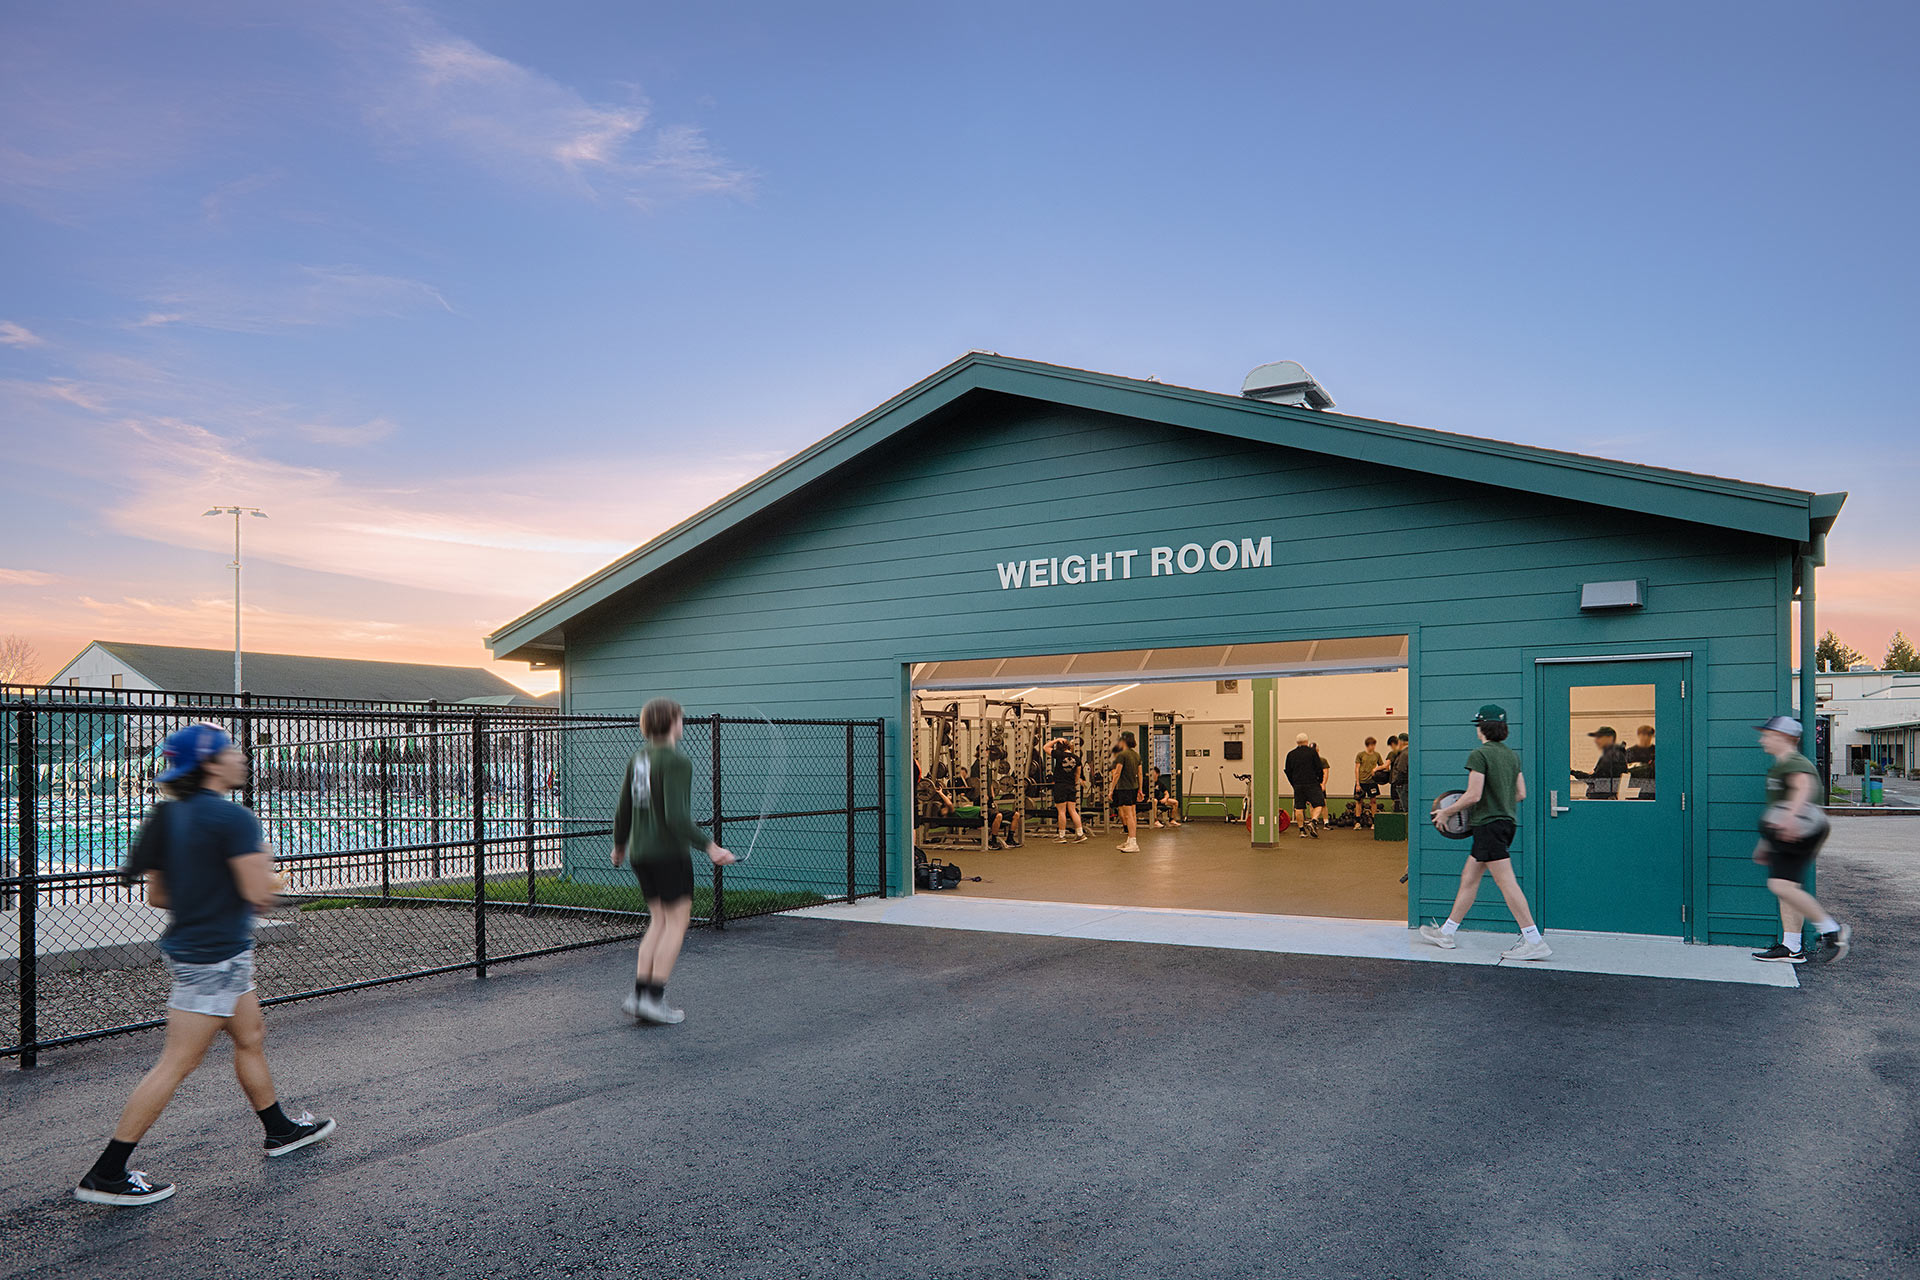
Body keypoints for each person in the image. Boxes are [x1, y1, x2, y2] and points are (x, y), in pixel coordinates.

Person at [77, 723, 334, 1208]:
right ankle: (107, 1171)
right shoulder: (234, 819)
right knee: (178, 1062)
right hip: (214, 955)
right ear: (212, 764)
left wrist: (213, 888)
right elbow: (260, 895)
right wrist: (271, 872)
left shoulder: (168, 818)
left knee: (250, 1035)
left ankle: (278, 1129)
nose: (241, 756)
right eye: (231, 750)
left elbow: (157, 894)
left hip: (204, 949)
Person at [613, 698, 736, 1025]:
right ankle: (653, 999)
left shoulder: (639, 759)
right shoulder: (677, 762)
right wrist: (710, 848)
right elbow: (677, 818)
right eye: (680, 718)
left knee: (659, 920)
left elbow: (624, 808)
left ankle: (640, 995)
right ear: (670, 722)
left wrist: (619, 845)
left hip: (640, 854)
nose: (683, 723)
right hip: (668, 853)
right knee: (677, 922)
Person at [1419, 704, 1552, 961]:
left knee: (1506, 882)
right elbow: (1521, 793)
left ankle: (1534, 940)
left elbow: (1473, 794)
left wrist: (1447, 812)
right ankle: (1447, 932)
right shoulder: (1512, 756)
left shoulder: (1479, 754)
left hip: (1489, 826)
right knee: (1469, 875)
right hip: (1505, 824)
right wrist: (1499, 801)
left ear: (1482, 727)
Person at [1750, 715, 1851, 963]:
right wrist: (1766, 843)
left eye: (1768, 734)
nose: (1762, 739)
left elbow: (1803, 787)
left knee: (1780, 885)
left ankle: (1832, 931)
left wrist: (1791, 819)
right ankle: (1791, 946)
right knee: (1788, 888)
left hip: (1801, 828)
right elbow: (1778, 803)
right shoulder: (1780, 765)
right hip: (1790, 830)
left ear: (1785, 738)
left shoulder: (1793, 761)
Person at [1283, 733, 1326, 838]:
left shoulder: (1291, 754)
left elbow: (1287, 771)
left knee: (1299, 807)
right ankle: (1314, 821)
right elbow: (1319, 768)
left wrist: (1293, 783)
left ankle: (1302, 830)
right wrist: (1320, 781)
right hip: (1312, 782)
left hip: (1298, 784)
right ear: (1307, 741)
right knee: (1319, 804)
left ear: (1297, 742)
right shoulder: (1312, 753)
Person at [1572, 725, 1629, 799]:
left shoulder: (1610, 757)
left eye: (1599, 737)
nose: (1596, 741)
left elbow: (1594, 779)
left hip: (1601, 799)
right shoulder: (1615, 755)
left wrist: (1573, 772)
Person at [1049, 737, 1088, 842]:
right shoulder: (1077, 758)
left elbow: (1045, 747)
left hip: (1060, 786)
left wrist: (1056, 740)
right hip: (1071, 786)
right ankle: (1080, 834)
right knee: (1072, 810)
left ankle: (1061, 836)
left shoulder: (1059, 755)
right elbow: (1078, 775)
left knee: (1061, 811)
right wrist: (1073, 783)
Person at [1109, 732, 1143, 852]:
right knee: (1132, 815)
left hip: (1124, 788)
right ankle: (1130, 840)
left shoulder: (1122, 755)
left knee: (1128, 815)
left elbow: (1117, 773)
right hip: (1133, 788)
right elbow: (1140, 774)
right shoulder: (1136, 755)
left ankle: (1133, 843)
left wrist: (1111, 790)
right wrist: (1140, 789)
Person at [1353, 736, 1384, 830]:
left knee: (1373, 801)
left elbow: (1383, 766)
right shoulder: (1361, 755)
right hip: (1361, 782)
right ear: (1367, 745)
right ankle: (1358, 822)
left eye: (1374, 745)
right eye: (1371, 745)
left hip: (1372, 782)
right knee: (1359, 801)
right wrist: (1357, 783)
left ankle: (1374, 822)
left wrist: (1376, 769)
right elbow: (1357, 769)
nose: (1373, 747)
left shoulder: (1377, 755)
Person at [1625, 725, 1656, 800]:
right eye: (1643, 734)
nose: (1646, 737)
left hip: (1651, 788)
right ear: (1639, 735)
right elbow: (1625, 769)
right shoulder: (1630, 751)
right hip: (1634, 787)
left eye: (1649, 735)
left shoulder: (1656, 751)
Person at [1390, 733, 1411, 813]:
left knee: (1406, 809)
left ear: (1401, 742)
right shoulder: (1409, 752)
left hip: (1403, 785)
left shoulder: (1404, 754)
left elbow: (1401, 769)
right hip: (1406, 784)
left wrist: (1397, 783)